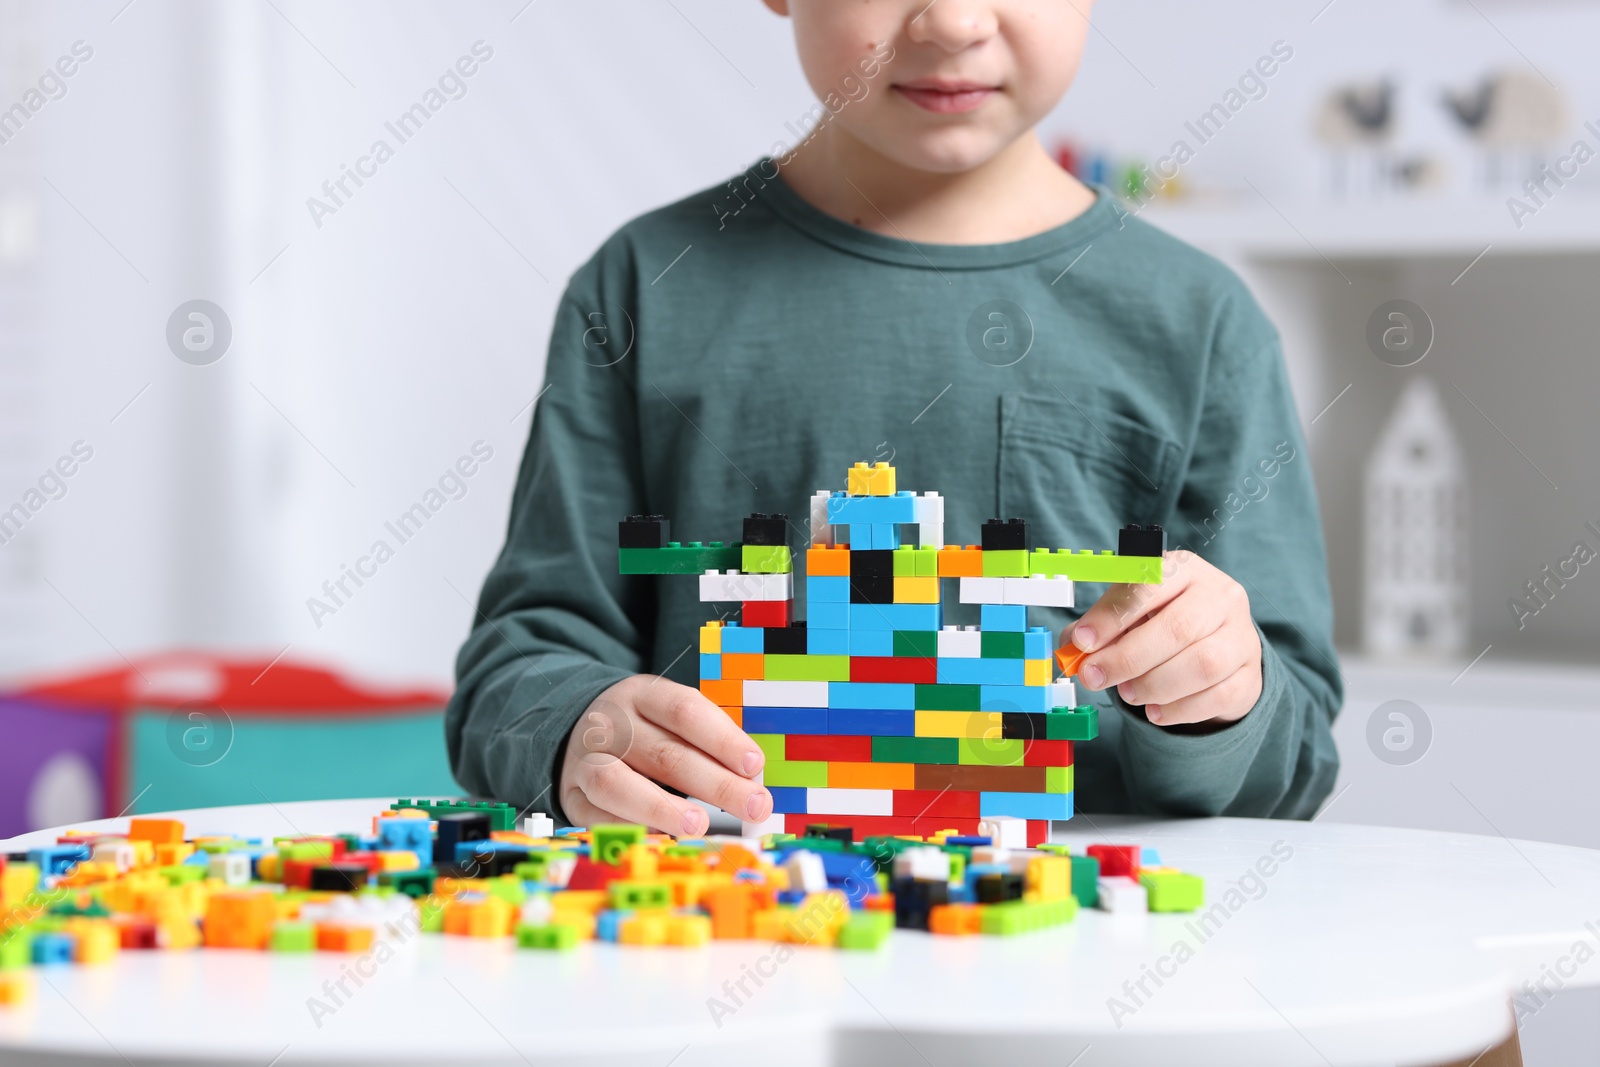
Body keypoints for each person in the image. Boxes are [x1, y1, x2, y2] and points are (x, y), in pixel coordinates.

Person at [446, 0, 1341, 836]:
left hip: (1088, 957)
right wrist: (577, 729)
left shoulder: (1203, 323)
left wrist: (1226, 690)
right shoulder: (642, 287)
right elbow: (517, 669)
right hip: (733, 940)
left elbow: (1292, 753)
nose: (952, 23)